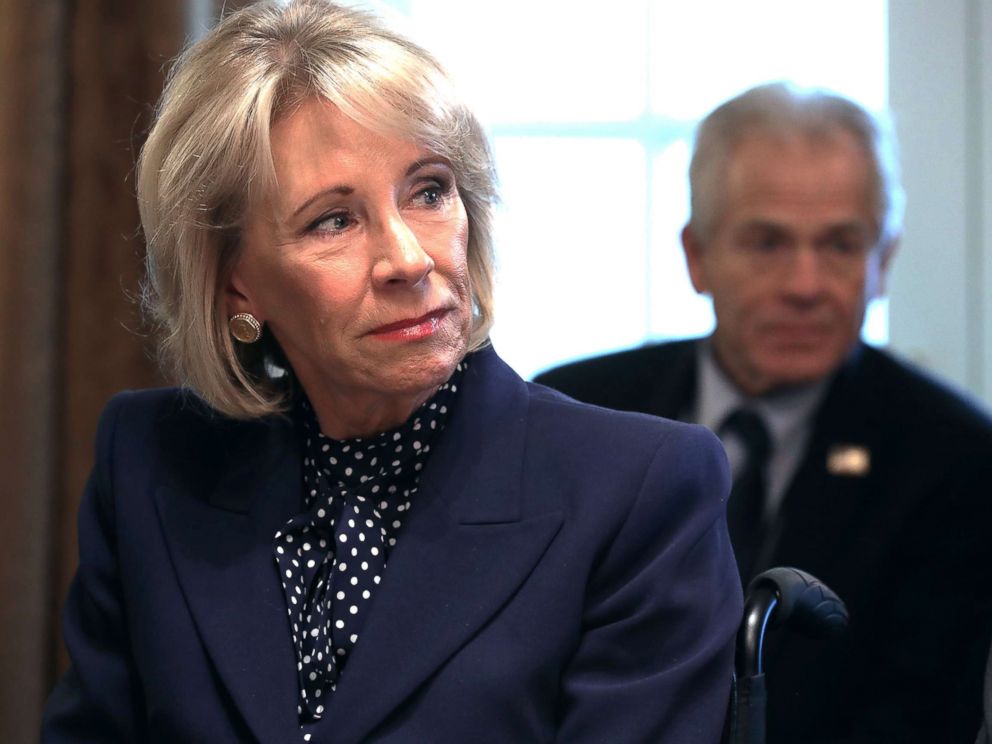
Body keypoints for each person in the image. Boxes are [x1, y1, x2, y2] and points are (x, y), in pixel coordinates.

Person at [41, 2, 741, 742]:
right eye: (333, 221)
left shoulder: (641, 490)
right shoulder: (151, 463)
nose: (409, 258)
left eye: (430, 191)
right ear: (234, 281)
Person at [536, 82, 992, 743]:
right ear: (697, 257)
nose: (804, 286)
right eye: (767, 243)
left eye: (840, 245)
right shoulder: (574, 411)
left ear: (882, 263)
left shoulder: (955, 459)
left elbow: (924, 717)